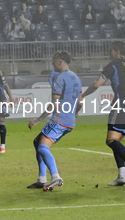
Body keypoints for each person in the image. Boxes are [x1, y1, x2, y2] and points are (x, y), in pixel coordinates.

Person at [81, 41, 125, 186]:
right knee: (116, 141)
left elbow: (96, 84)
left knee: (111, 140)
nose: (109, 52)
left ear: (117, 52)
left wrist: (83, 95)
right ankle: (122, 176)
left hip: (122, 105)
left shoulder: (113, 65)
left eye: (111, 50)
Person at [27, 51, 82, 191]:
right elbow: (80, 101)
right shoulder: (76, 77)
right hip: (69, 120)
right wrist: (74, 114)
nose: (52, 64)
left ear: (60, 62)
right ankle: (41, 178)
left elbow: (53, 104)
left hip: (59, 119)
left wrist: (38, 119)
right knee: (37, 141)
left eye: (54, 61)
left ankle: (56, 177)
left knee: (42, 147)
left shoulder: (60, 78)